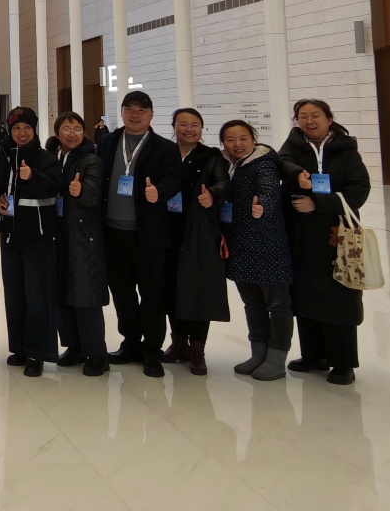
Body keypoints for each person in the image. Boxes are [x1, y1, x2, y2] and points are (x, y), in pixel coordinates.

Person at [278, 99, 370, 386]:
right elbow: (282, 163)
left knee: (340, 296)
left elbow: (359, 189)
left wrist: (318, 203)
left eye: (315, 115)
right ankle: (314, 355)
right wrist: (297, 174)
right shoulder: (294, 145)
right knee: (305, 293)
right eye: (302, 116)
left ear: (329, 119)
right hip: (301, 234)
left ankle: (343, 363)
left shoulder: (346, 150)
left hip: (335, 234)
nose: (309, 120)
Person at [94, 90, 180, 377]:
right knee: (122, 294)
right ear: (122, 112)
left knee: (152, 295)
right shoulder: (107, 142)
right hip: (113, 233)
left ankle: (152, 351)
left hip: (149, 235)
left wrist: (160, 192)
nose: (135, 114)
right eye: (129, 109)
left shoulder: (165, 148)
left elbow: (174, 180)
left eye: (141, 110)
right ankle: (130, 343)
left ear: (151, 114)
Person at [0, 107, 62, 377]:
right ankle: (19, 347)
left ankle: (37, 353)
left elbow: (56, 186)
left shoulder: (46, 158)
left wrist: (33, 176)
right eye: (16, 128)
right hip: (9, 235)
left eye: (27, 128)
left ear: (34, 130)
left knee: (37, 295)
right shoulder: (0, 158)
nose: (21, 133)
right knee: (14, 294)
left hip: (38, 237)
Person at [220, 119, 293, 381]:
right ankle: (258, 353)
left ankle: (276, 358)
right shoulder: (227, 165)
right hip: (240, 243)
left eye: (243, 138)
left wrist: (262, 205)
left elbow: (269, 189)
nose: (237, 144)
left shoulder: (264, 162)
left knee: (278, 303)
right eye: (230, 140)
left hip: (267, 243)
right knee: (251, 302)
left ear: (253, 138)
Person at [162, 108, 230, 375]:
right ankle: (178, 342)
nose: (189, 129)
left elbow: (224, 183)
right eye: (183, 124)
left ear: (202, 129)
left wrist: (212, 194)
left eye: (194, 125)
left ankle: (197, 349)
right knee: (172, 287)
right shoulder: (165, 153)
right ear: (174, 126)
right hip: (168, 229)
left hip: (200, 230)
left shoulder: (211, 156)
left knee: (199, 288)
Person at [47, 112, 109, 377]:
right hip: (58, 233)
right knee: (62, 292)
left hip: (83, 234)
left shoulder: (91, 159)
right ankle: (74, 347)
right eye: (66, 128)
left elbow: (94, 195)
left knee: (86, 295)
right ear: (57, 132)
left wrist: (81, 191)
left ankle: (97, 353)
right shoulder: (52, 157)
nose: (72, 133)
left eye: (77, 129)